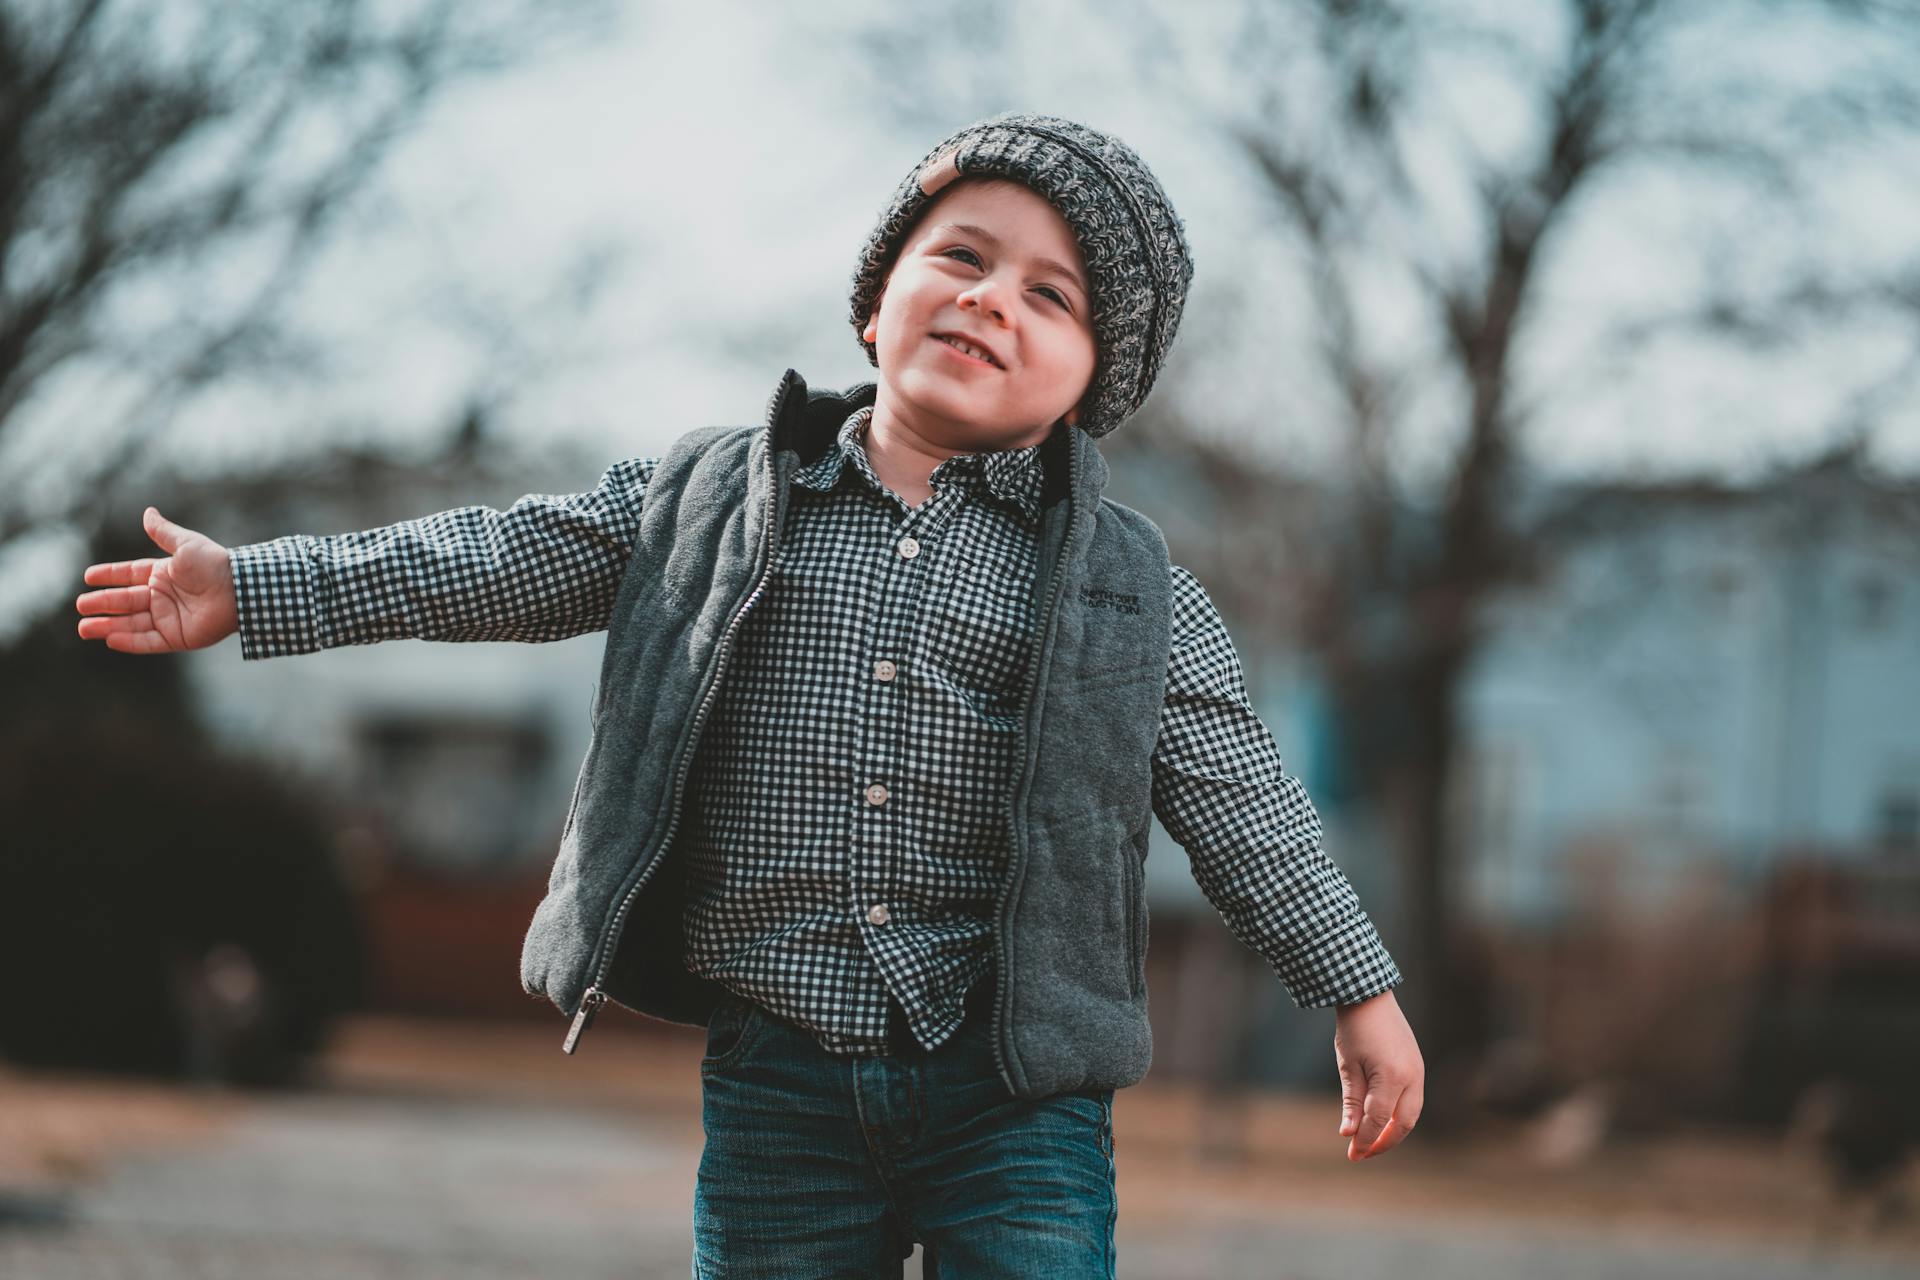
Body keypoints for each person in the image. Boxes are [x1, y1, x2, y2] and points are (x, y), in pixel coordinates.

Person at [76, 112, 1424, 1278]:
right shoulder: (714, 501)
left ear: (1091, 390)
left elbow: (1245, 797)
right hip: (782, 1075)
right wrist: (259, 586)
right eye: (958, 255)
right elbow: (494, 559)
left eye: (1052, 296)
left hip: (1018, 1095)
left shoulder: (1125, 588)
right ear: (874, 295)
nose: (992, 298)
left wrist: (1356, 994)